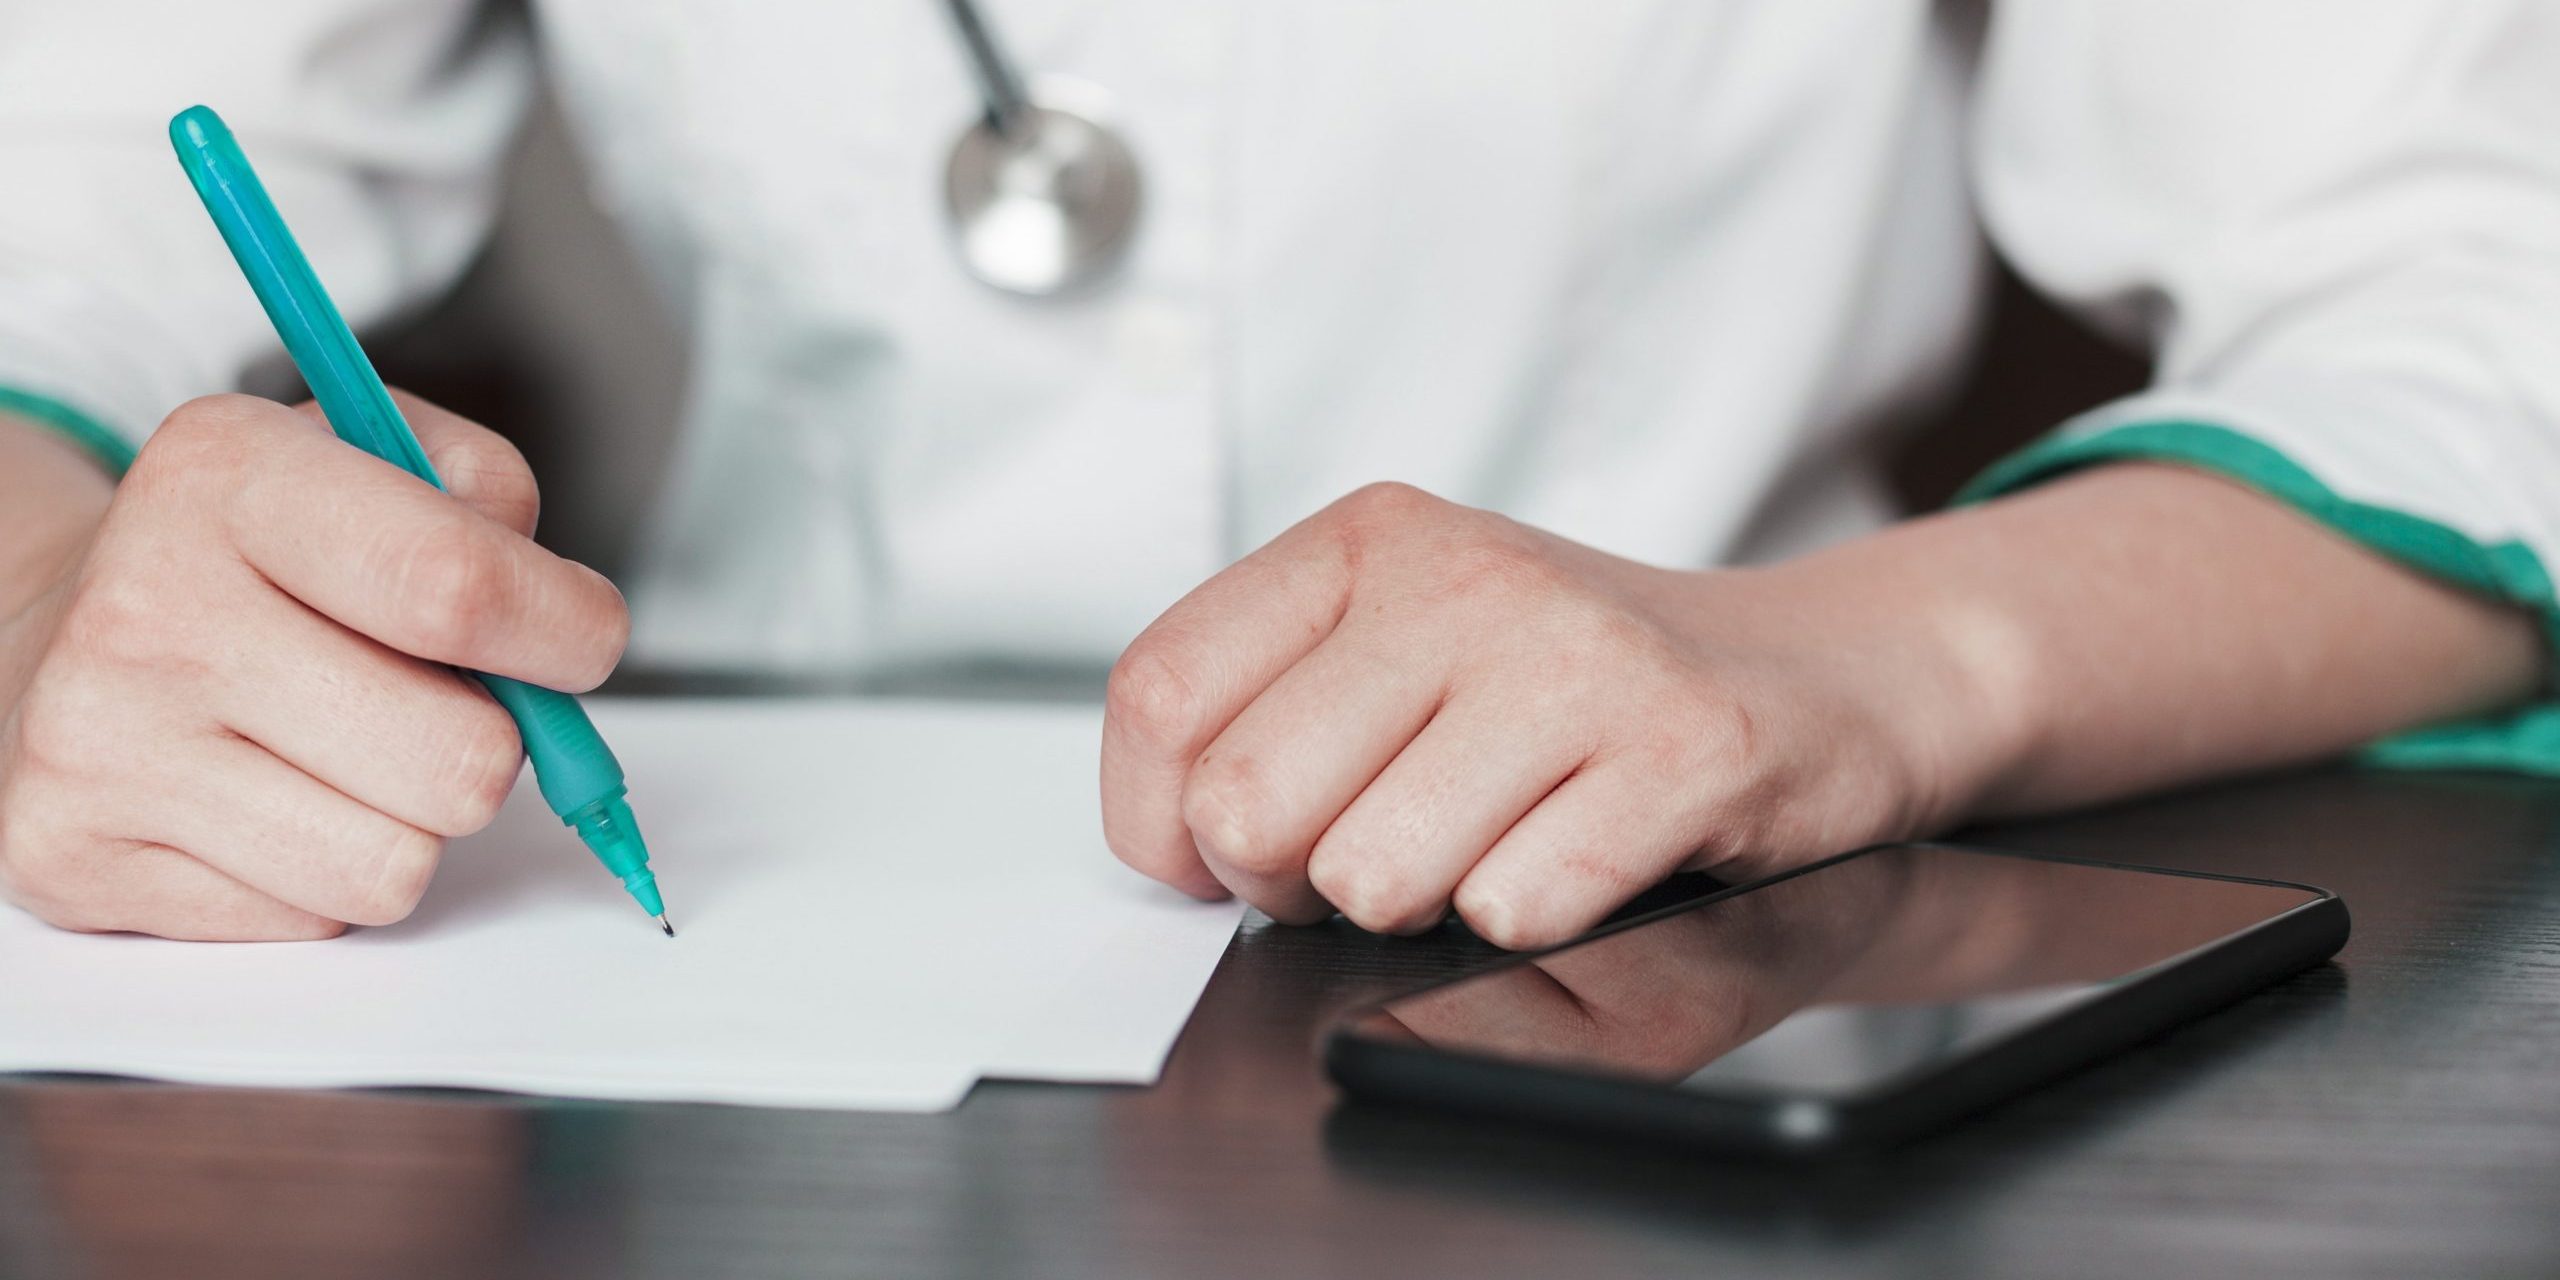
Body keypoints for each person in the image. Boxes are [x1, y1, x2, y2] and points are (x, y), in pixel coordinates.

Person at [0, 1, 2552, 945]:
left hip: (1686, 925)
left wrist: (1868, 664)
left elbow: (2476, 298)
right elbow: (58, 196)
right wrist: (50, 609)